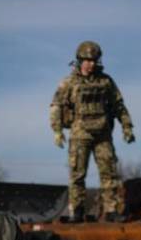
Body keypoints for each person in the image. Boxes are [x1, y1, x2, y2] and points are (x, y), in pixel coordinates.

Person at [50, 40, 135, 222]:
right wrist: (57, 131)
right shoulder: (69, 82)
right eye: (87, 60)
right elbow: (56, 106)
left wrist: (127, 127)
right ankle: (77, 211)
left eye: (94, 60)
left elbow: (119, 106)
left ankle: (111, 210)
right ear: (80, 60)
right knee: (77, 174)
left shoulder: (106, 81)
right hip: (80, 133)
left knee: (109, 173)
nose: (91, 64)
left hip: (103, 134)